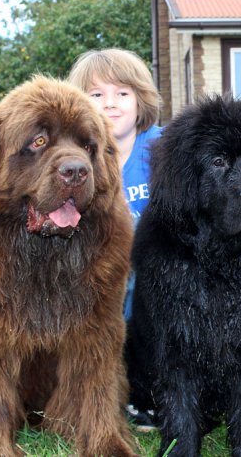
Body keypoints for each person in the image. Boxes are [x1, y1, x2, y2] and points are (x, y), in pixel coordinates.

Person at [68, 48, 161, 430]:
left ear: (141, 100)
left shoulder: (163, 148)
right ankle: (90, 391)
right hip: (95, 269)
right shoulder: (71, 158)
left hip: (152, 269)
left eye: (122, 93)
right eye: (96, 94)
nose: (110, 104)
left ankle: (149, 393)